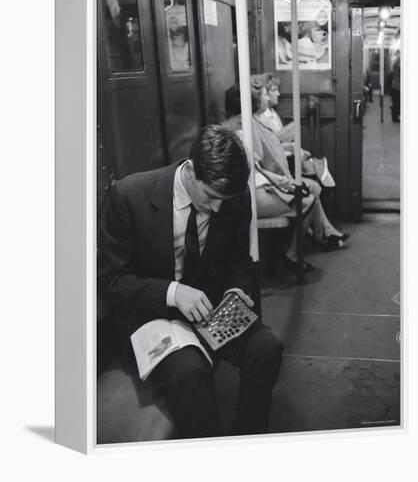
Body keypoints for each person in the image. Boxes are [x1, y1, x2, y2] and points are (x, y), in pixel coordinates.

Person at [98, 125, 283, 439]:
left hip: (212, 307)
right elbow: (109, 280)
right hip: (154, 313)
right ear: (191, 169)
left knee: (267, 348)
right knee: (190, 373)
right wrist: (172, 292)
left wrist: (236, 289)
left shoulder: (232, 200)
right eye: (210, 196)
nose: (217, 208)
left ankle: (249, 436)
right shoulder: (129, 196)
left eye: (224, 200)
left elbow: (239, 259)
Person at [224, 82, 349, 266]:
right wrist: (276, 180)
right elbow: (254, 163)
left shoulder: (237, 128)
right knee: (306, 201)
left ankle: (318, 237)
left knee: (305, 193)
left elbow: (255, 165)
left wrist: (277, 181)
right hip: (248, 196)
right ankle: (293, 253)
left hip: (257, 187)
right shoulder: (236, 132)